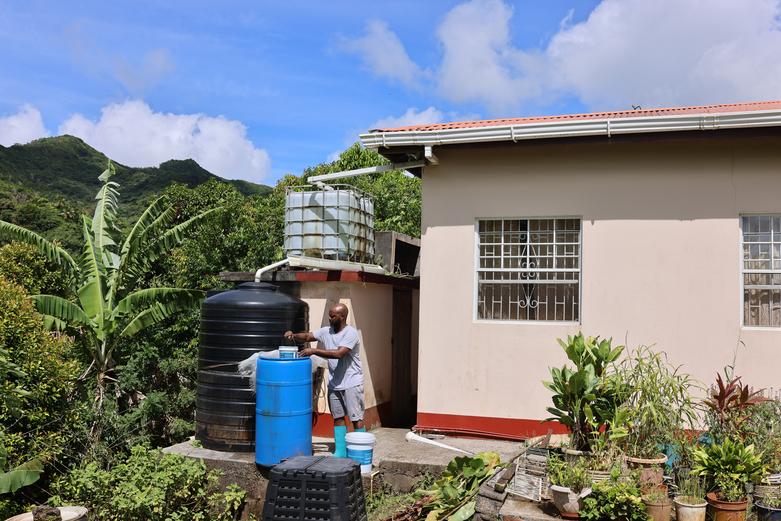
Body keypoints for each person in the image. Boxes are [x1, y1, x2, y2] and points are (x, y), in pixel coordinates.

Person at [284, 303, 364, 458]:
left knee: (356, 418)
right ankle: (340, 452)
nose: (329, 317)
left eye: (333, 315)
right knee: (338, 417)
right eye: (329, 314)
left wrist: (314, 351)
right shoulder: (326, 331)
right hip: (335, 383)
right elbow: (308, 336)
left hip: (352, 382)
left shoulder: (350, 333)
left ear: (342, 316)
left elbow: (339, 354)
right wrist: (293, 335)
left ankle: (359, 453)